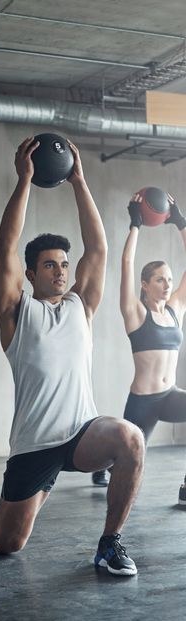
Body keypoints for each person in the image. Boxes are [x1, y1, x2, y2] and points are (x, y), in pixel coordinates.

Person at [0, 137, 145, 575]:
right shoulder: (16, 316)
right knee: (6, 543)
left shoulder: (81, 307)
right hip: (34, 445)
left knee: (131, 438)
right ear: (32, 272)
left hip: (80, 433)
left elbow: (99, 251)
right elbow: (6, 249)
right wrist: (25, 182)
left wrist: (79, 181)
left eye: (64, 264)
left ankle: (109, 544)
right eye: (50, 265)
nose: (61, 271)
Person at [92, 194, 186, 499]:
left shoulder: (175, 311)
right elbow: (127, 262)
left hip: (169, 395)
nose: (168, 285)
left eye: (170, 279)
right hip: (143, 402)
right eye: (160, 280)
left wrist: (180, 223)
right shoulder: (135, 313)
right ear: (145, 284)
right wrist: (136, 225)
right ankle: (100, 462)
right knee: (125, 461)